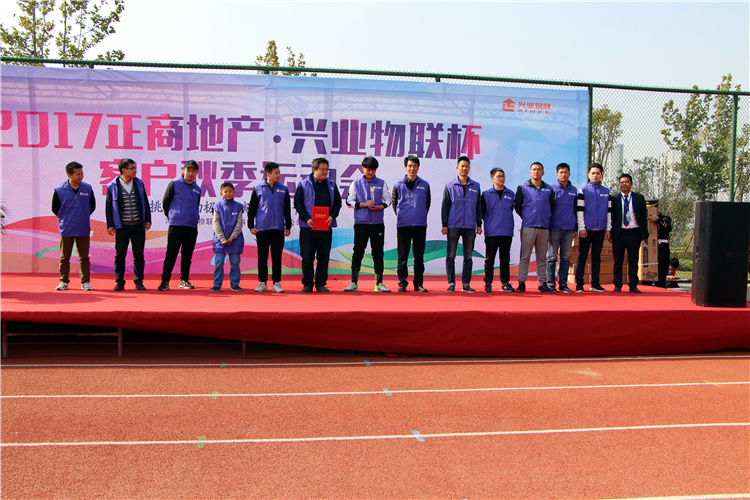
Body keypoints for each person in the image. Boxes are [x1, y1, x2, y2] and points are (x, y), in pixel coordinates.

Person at [344, 156, 392, 292]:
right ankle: (353, 282)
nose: (370, 172)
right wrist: (364, 204)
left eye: (373, 170)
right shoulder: (356, 183)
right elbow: (349, 201)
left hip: (377, 223)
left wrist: (381, 206)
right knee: (358, 251)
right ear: (362, 168)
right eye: (368, 169)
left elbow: (388, 199)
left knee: (378, 253)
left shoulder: (381, 183)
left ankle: (379, 283)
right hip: (361, 223)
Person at [294, 157, 342, 293]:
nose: (325, 172)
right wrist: (306, 218)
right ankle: (308, 284)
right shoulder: (303, 184)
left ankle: (320, 283)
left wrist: (332, 216)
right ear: (314, 170)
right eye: (322, 169)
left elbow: (338, 203)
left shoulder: (331, 185)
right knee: (307, 257)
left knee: (323, 257)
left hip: (326, 227)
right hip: (308, 227)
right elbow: (297, 202)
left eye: (327, 169)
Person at [106, 158, 151, 291]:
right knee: (120, 255)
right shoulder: (113, 185)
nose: (135, 171)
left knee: (139, 255)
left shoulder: (138, 183)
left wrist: (147, 219)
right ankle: (120, 282)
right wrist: (110, 224)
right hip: (122, 226)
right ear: (124, 170)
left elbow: (145, 202)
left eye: (135, 168)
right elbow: (108, 206)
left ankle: (139, 281)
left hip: (138, 226)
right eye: (132, 168)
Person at [248, 162, 292, 293]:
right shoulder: (258, 188)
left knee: (277, 257)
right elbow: (252, 209)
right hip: (262, 229)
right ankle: (262, 282)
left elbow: (287, 209)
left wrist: (288, 226)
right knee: (262, 257)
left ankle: (276, 283)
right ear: (268, 174)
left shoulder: (283, 189)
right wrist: (251, 226)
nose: (279, 175)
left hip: (278, 228)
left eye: (279, 172)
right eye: (276, 173)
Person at [158, 160, 202, 291]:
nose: (190, 173)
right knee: (171, 254)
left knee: (187, 256)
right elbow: (166, 202)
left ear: (197, 173)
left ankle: (184, 280)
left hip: (191, 226)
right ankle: (165, 282)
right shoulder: (174, 184)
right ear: (184, 171)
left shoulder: (197, 189)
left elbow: (196, 205)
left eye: (193, 171)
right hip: (176, 225)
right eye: (188, 170)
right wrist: (173, 216)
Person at [52, 161, 95, 291]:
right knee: (64, 257)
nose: (81, 176)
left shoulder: (87, 188)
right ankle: (63, 281)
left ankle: (85, 282)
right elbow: (55, 208)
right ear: (69, 175)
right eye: (77, 174)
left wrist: (82, 216)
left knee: (84, 257)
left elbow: (92, 206)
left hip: (83, 228)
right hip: (67, 228)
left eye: (81, 173)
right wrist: (66, 218)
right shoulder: (59, 190)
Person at [441, 156, 482, 293]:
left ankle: (466, 284)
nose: (464, 168)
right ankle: (451, 283)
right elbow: (445, 206)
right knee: (451, 255)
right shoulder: (450, 185)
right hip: (453, 225)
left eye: (467, 166)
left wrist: (479, 224)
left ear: (469, 168)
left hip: (470, 225)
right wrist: (444, 224)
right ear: (457, 168)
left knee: (468, 256)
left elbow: (479, 206)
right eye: (462, 166)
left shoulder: (476, 186)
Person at [514, 162, 555, 293]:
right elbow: (518, 205)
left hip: (544, 227)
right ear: (530, 172)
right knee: (525, 256)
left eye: (539, 170)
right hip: (528, 226)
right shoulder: (523, 187)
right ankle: (521, 282)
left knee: (542, 257)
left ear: (543, 172)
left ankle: (542, 283)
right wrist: (527, 216)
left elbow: (552, 206)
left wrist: (544, 217)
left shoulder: (549, 188)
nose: (536, 172)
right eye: (534, 169)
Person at [392, 155, 431, 293]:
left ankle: (418, 284)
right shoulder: (398, 185)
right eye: (409, 166)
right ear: (405, 167)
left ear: (418, 167)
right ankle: (402, 283)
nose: (412, 169)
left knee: (419, 256)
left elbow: (427, 203)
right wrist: (403, 216)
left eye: (414, 166)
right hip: (404, 225)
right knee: (402, 256)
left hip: (420, 225)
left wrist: (419, 215)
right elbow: (394, 203)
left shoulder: (425, 185)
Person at [574, 163, 611, 292]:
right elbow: (579, 210)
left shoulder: (606, 192)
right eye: (593, 173)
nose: (595, 175)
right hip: (586, 230)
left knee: (596, 257)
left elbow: (609, 212)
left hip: (600, 230)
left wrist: (608, 228)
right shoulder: (583, 190)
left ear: (601, 175)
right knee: (582, 256)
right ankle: (579, 284)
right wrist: (582, 227)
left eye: (598, 173)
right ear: (589, 175)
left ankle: (595, 283)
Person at [610, 173, 649, 293]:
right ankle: (617, 284)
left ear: (631, 183)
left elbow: (643, 216)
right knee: (618, 261)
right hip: (619, 233)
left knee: (633, 260)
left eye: (626, 182)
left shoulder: (639, 198)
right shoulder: (614, 198)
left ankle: (633, 285)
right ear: (619, 184)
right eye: (622, 182)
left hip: (634, 233)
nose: (624, 184)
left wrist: (643, 233)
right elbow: (610, 216)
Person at [481, 168, 515, 293]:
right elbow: (482, 212)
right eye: (498, 176)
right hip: (492, 231)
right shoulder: (486, 194)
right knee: (490, 259)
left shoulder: (511, 194)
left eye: (503, 176)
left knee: (505, 259)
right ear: (492, 179)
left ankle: (505, 283)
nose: (501, 178)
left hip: (506, 231)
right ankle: (488, 283)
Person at [546, 163, 577, 293]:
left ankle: (563, 284)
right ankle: (551, 284)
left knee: (565, 257)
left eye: (566, 172)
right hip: (554, 228)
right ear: (557, 174)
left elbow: (576, 210)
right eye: (561, 172)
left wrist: (575, 228)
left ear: (569, 174)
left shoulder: (574, 190)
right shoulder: (551, 189)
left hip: (569, 228)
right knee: (552, 258)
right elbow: (547, 208)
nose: (563, 175)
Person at [210, 182, 245, 292]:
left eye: (230, 191)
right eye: (225, 192)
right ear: (221, 193)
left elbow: (239, 223)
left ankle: (234, 284)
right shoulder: (217, 207)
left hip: (235, 240)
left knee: (235, 263)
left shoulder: (238, 206)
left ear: (234, 192)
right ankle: (217, 284)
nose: (228, 193)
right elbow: (216, 223)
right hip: (220, 241)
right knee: (219, 263)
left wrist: (232, 238)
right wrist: (222, 238)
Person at [648, 205, 673, 288]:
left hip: (661, 250)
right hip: (648, 249)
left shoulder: (665, 218)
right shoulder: (644, 219)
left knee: (661, 274)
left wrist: (658, 220)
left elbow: (668, 228)